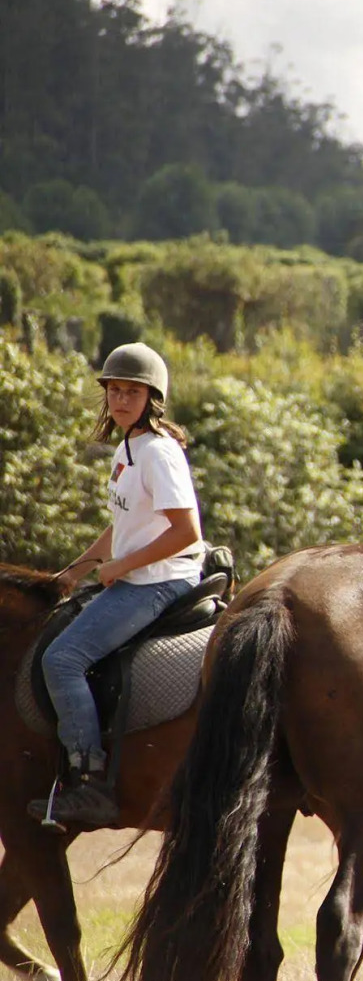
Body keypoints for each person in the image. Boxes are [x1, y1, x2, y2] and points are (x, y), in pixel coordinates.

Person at [27, 343, 205, 829]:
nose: (122, 399)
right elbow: (123, 523)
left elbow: (187, 532)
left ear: (153, 398)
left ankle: (89, 782)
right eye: (114, 390)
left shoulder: (159, 453)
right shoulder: (127, 450)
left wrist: (122, 565)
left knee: (62, 660)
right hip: (136, 575)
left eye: (133, 391)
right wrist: (80, 568)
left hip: (161, 581)